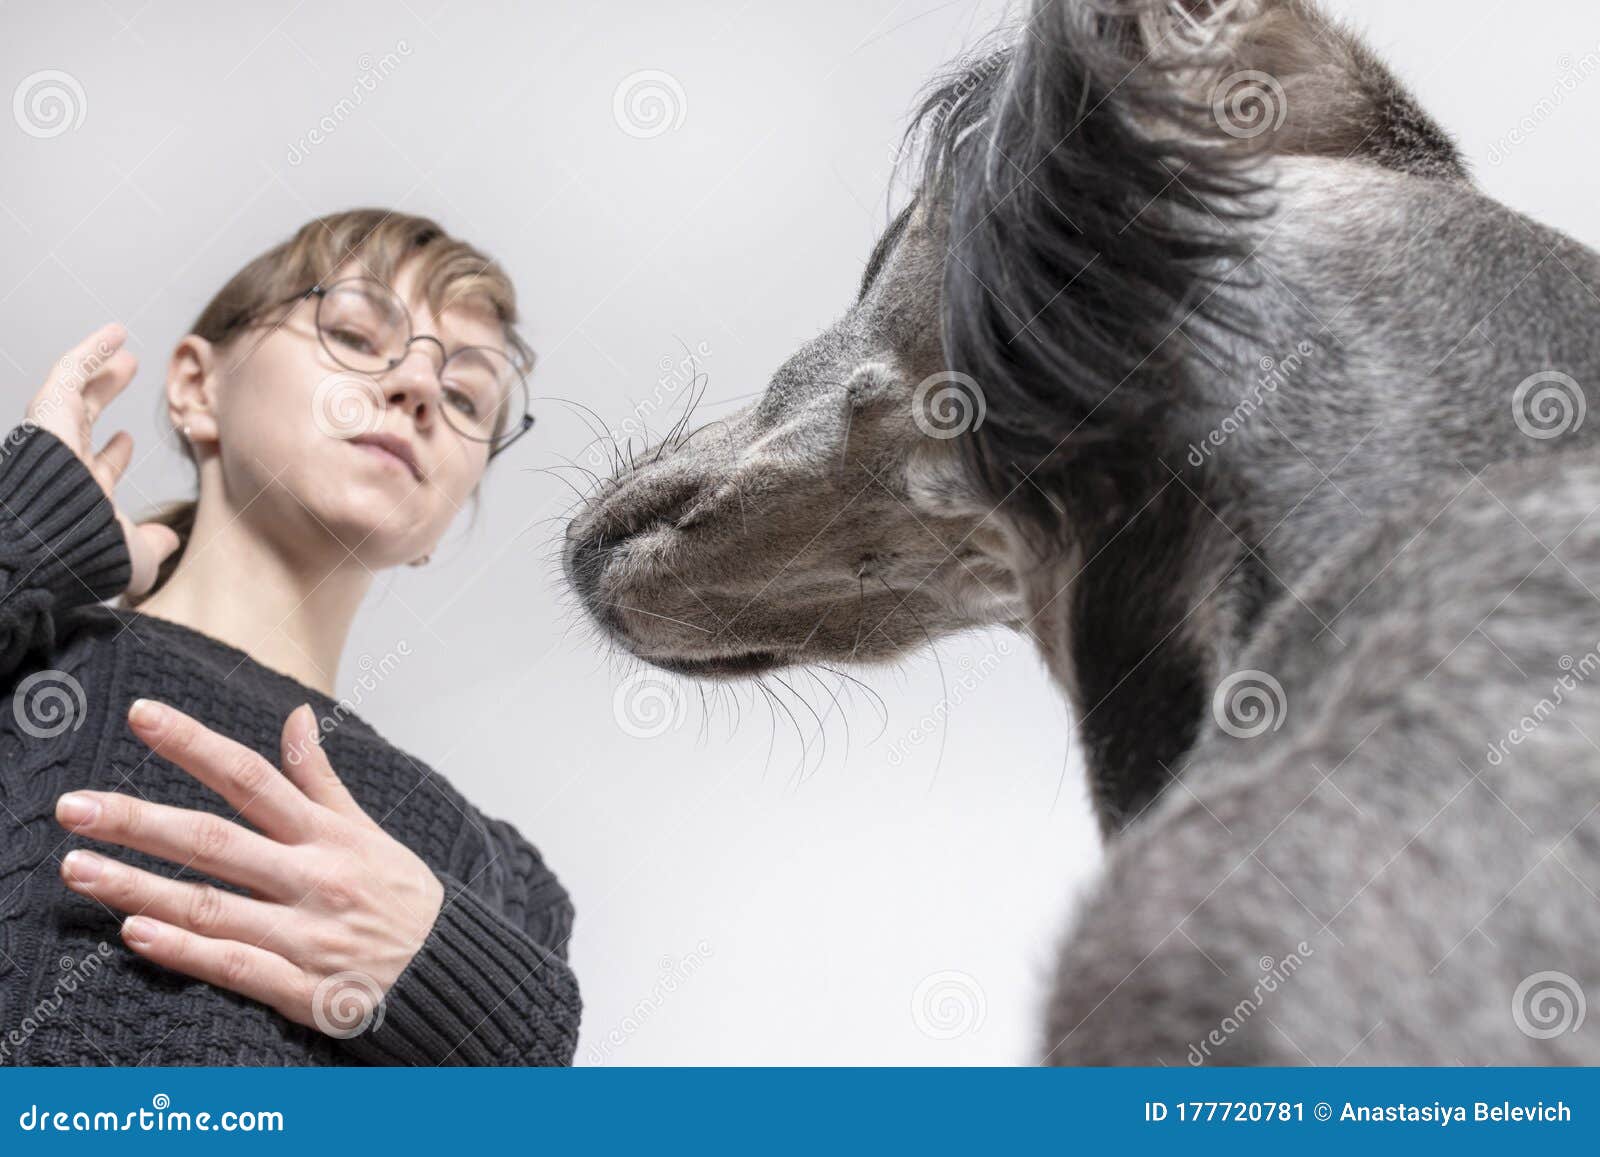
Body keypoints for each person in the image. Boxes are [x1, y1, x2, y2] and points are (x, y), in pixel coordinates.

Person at [0, 209, 578, 1065]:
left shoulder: (497, 877)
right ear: (198, 387)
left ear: (442, 525)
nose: (418, 385)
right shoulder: (31, 653)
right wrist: (32, 534)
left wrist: (443, 973)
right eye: (353, 331)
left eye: (465, 398)